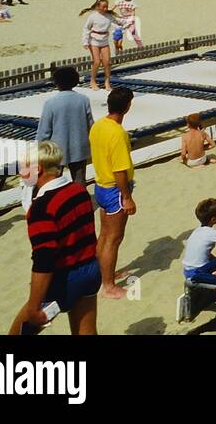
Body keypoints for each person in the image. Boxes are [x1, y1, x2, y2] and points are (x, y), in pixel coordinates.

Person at [9, 141, 99, 335]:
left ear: (38, 169)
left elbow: (44, 260)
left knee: (18, 333)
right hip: (90, 270)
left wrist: (34, 306)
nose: (19, 173)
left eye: (23, 167)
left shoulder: (42, 207)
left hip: (65, 278)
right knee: (86, 332)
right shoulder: (79, 190)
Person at [89, 86, 136, 300]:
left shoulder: (98, 126)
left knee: (105, 236)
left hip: (100, 185)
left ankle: (104, 274)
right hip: (115, 189)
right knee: (114, 238)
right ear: (126, 107)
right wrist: (127, 197)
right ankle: (108, 285)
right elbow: (119, 170)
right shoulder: (117, 132)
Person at [37, 65, 93, 184]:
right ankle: (80, 200)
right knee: (80, 181)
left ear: (56, 83)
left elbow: (44, 131)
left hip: (57, 150)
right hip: (79, 147)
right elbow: (90, 125)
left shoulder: (51, 103)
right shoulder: (83, 100)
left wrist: (39, 149)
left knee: (54, 182)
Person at [81, 0, 115, 90]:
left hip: (104, 41)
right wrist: (85, 41)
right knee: (97, 61)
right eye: (103, 7)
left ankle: (107, 81)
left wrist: (127, 23)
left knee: (107, 62)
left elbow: (117, 22)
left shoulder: (109, 16)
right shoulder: (93, 16)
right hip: (94, 41)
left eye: (106, 7)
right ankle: (93, 80)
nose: (105, 9)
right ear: (98, 7)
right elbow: (86, 28)